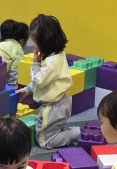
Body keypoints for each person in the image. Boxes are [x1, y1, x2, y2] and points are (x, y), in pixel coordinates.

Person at [16, 14, 78, 149]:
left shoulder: (51, 62)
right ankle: (61, 131)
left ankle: (74, 134)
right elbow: (46, 82)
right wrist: (27, 90)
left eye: (37, 43)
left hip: (54, 107)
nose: (36, 47)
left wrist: (35, 64)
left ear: (46, 43)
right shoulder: (56, 54)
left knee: (45, 142)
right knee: (51, 128)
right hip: (60, 102)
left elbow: (39, 81)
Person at [0, 19, 29, 87]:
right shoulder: (17, 49)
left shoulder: (0, 44)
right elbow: (14, 73)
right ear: (22, 41)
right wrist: (13, 89)